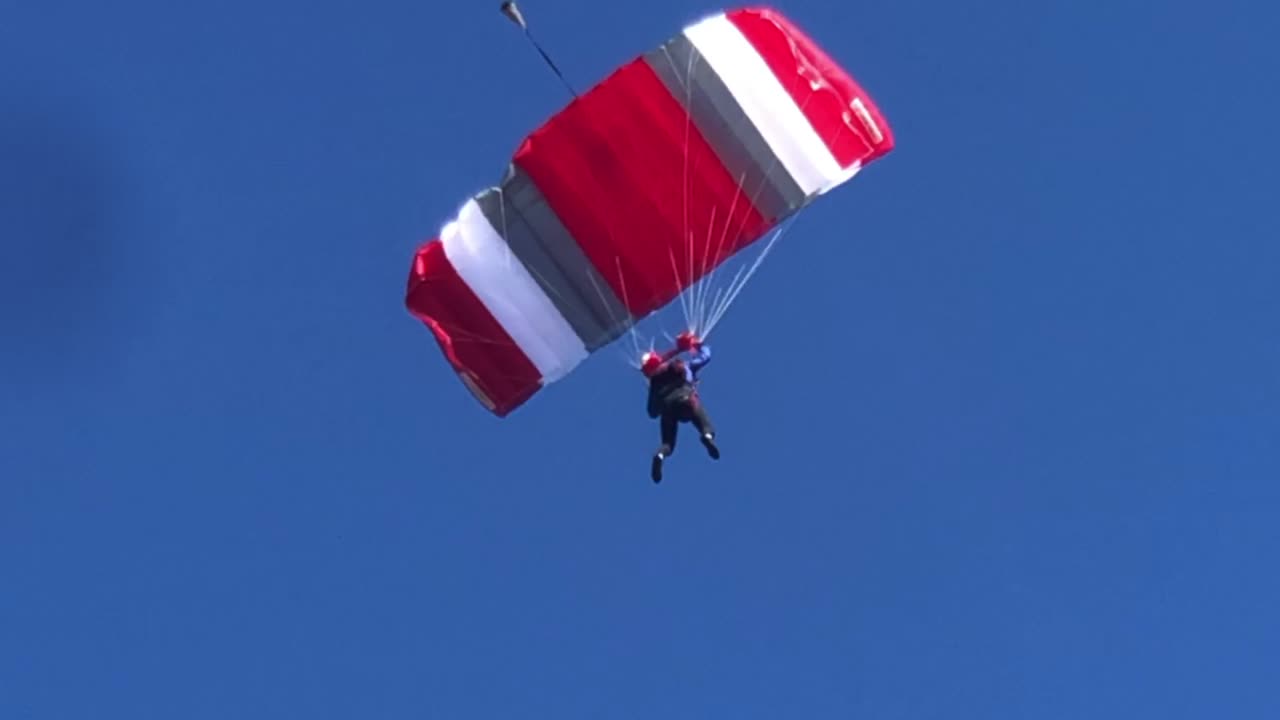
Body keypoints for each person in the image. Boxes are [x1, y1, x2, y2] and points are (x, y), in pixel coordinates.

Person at [640, 331, 720, 483]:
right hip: (686, 400)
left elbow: (652, 413)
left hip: (668, 412)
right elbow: (706, 357)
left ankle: (660, 455)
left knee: (667, 443)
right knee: (704, 424)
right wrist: (696, 343)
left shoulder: (655, 384)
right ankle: (707, 437)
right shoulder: (682, 366)